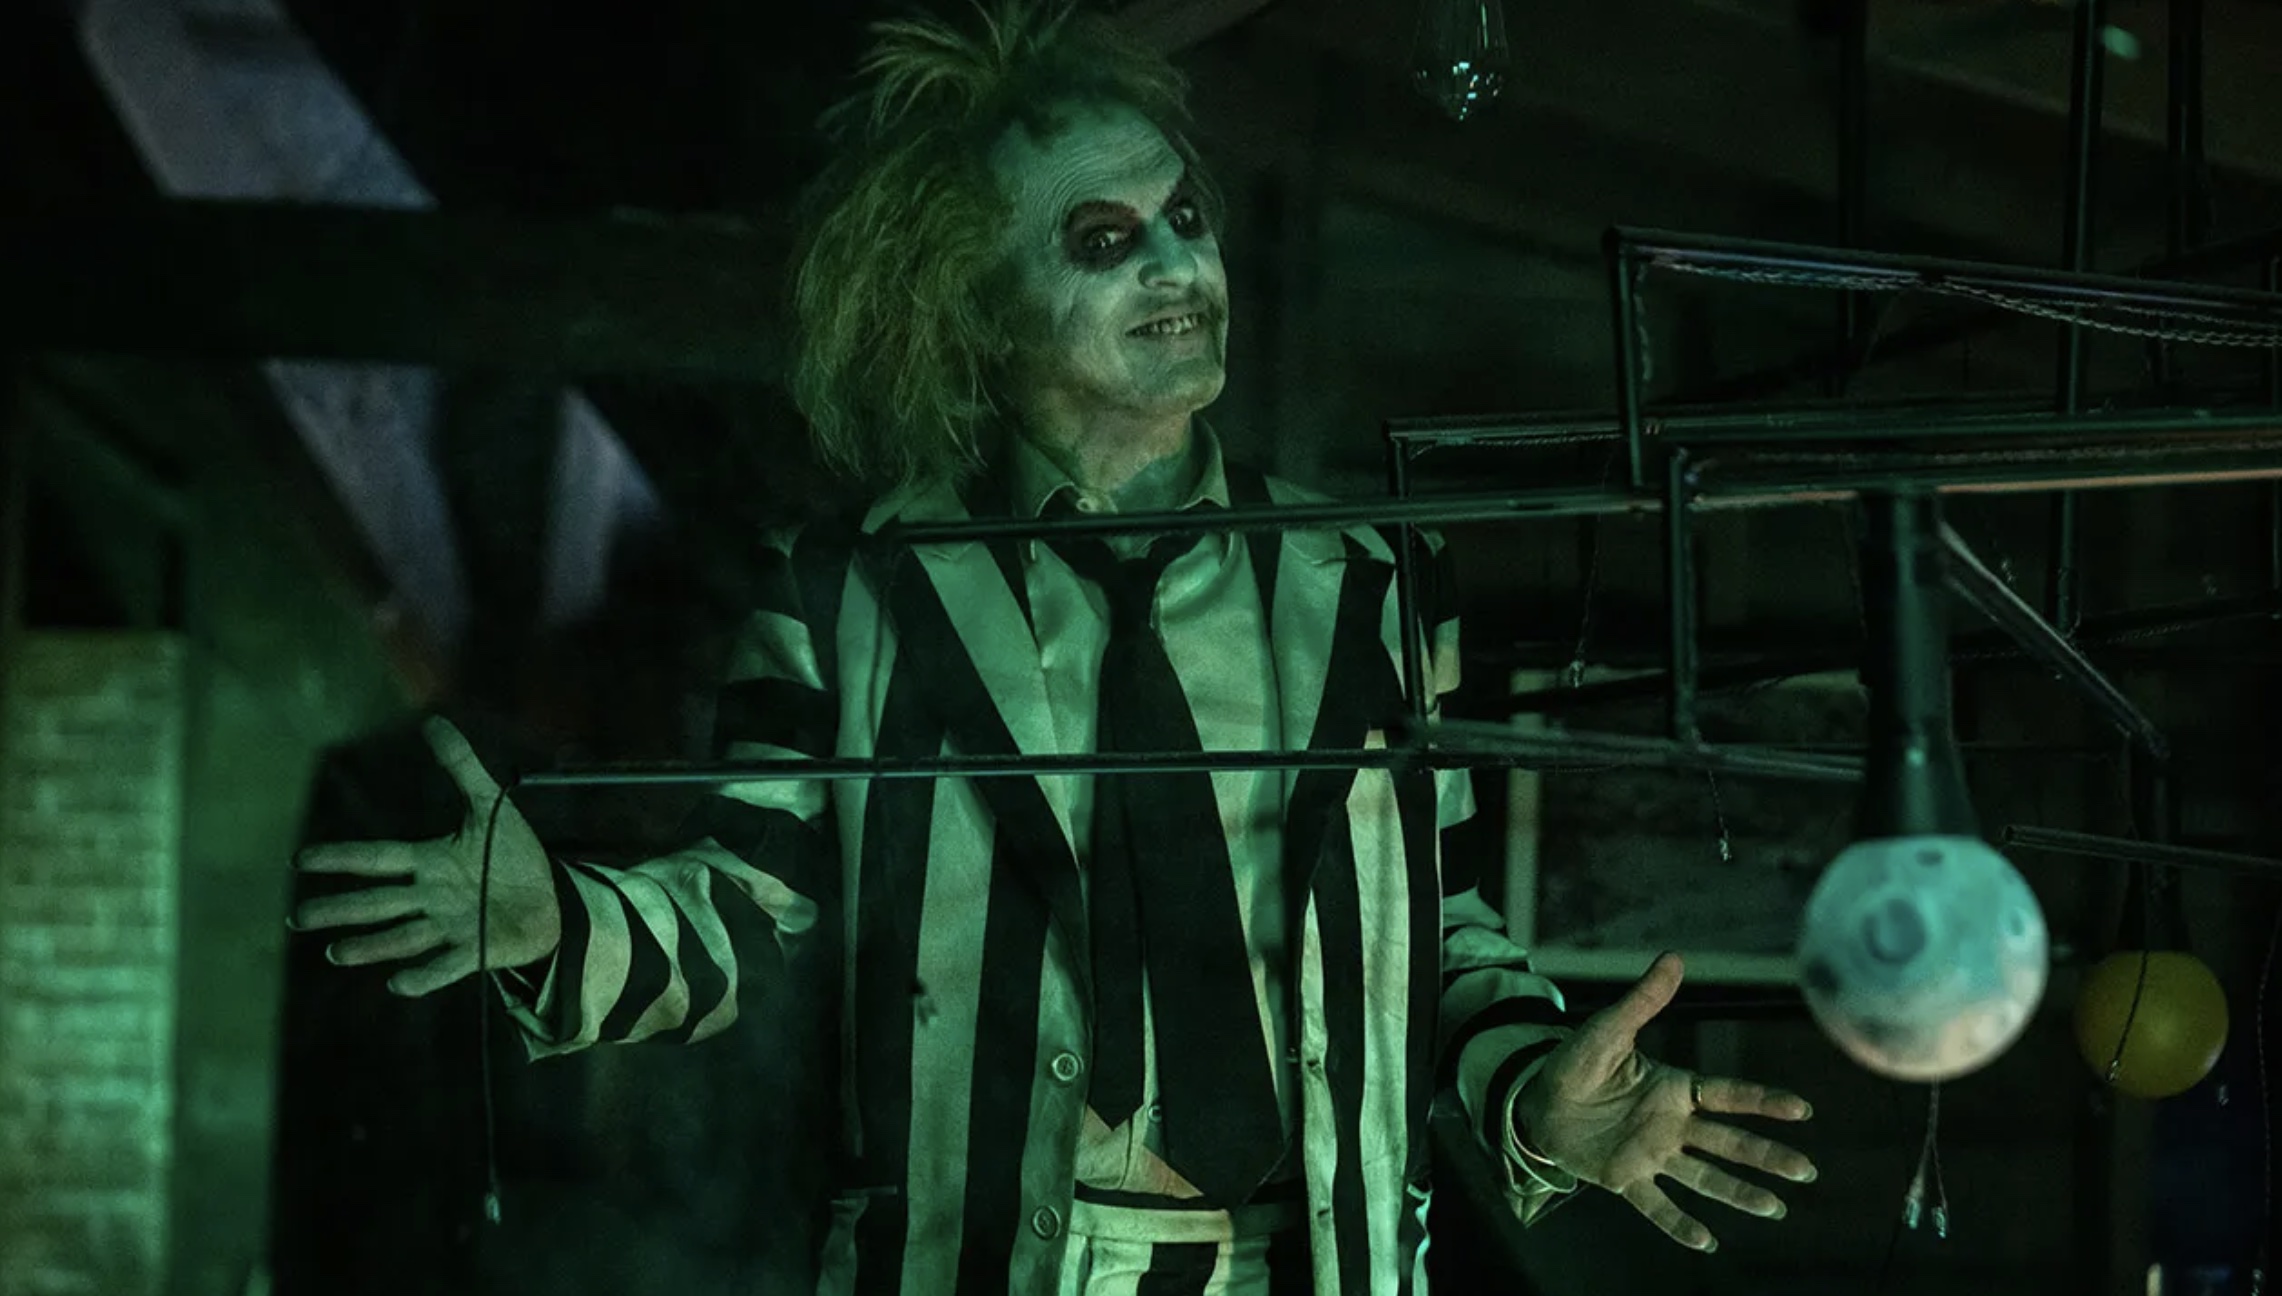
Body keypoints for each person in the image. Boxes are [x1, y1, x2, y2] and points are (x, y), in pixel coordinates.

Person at [290, 3, 1818, 1292]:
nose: (1177, 266)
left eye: (1185, 218)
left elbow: (1439, 927)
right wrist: (558, 926)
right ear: (974, 303)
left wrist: (1535, 1101)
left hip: (1319, 1260)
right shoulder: (850, 594)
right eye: (1104, 238)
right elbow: (750, 907)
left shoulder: (1368, 576)